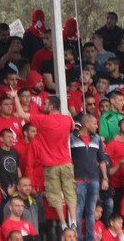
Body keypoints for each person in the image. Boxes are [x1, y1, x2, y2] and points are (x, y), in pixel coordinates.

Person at [9, 92, 77, 231]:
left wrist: (16, 97)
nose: (42, 105)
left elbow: (21, 114)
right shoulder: (66, 120)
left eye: (45, 103)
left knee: (55, 194)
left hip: (51, 165)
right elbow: (73, 124)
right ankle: (74, 221)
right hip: (66, 162)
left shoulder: (43, 120)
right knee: (70, 192)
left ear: (51, 106)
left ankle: (64, 224)